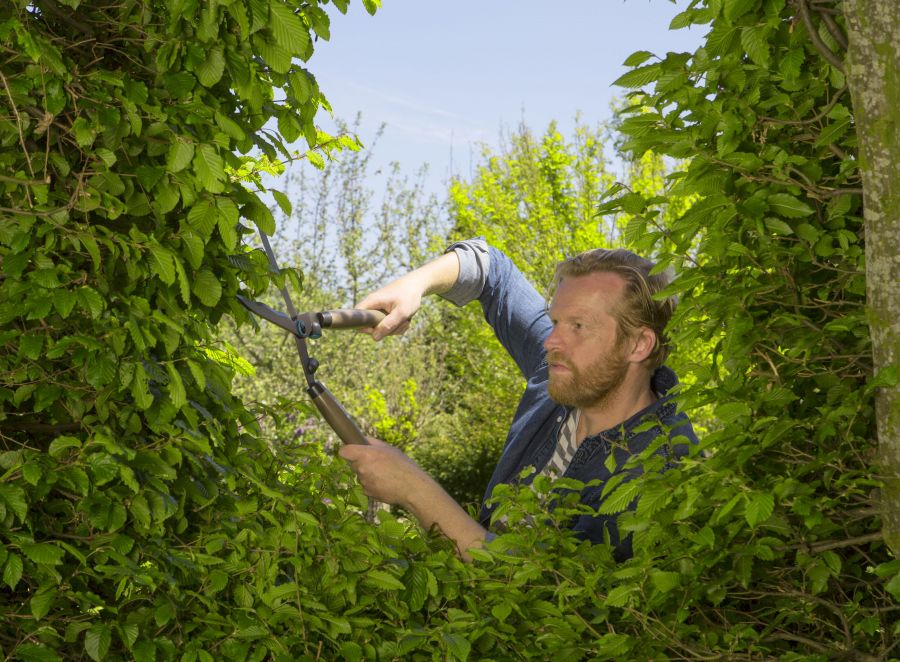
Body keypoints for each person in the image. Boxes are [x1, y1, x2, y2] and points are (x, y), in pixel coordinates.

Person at [340, 239, 697, 561]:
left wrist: (414, 490)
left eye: (578, 326)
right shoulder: (568, 371)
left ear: (639, 344)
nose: (551, 342)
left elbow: (546, 594)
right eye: (555, 321)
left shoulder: (661, 474)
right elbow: (490, 271)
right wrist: (414, 285)